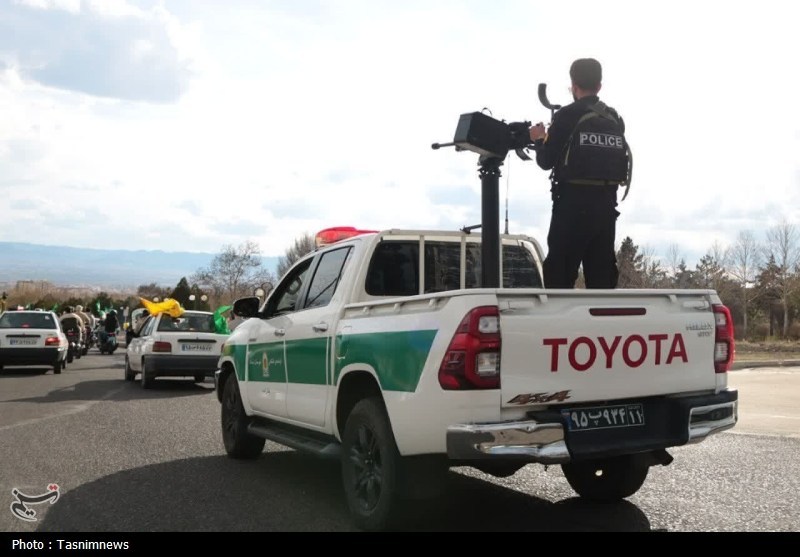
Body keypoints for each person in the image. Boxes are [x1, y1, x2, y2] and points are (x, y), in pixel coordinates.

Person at [529, 58, 630, 289]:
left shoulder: (566, 115)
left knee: (559, 277)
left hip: (571, 208)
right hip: (606, 208)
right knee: (602, 279)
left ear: (573, 85)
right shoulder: (614, 118)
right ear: (600, 86)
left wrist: (539, 139)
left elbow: (546, 161)